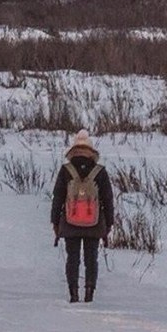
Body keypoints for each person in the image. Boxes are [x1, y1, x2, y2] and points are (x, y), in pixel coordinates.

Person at [50, 129, 114, 303]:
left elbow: (58, 197)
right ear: (91, 151)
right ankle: (89, 293)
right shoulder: (100, 171)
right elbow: (108, 199)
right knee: (91, 258)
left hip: (70, 223)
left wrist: (55, 222)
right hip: (94, 223)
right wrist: (108, 224)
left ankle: (73, 293)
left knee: (73, 258)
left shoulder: (66, 170)